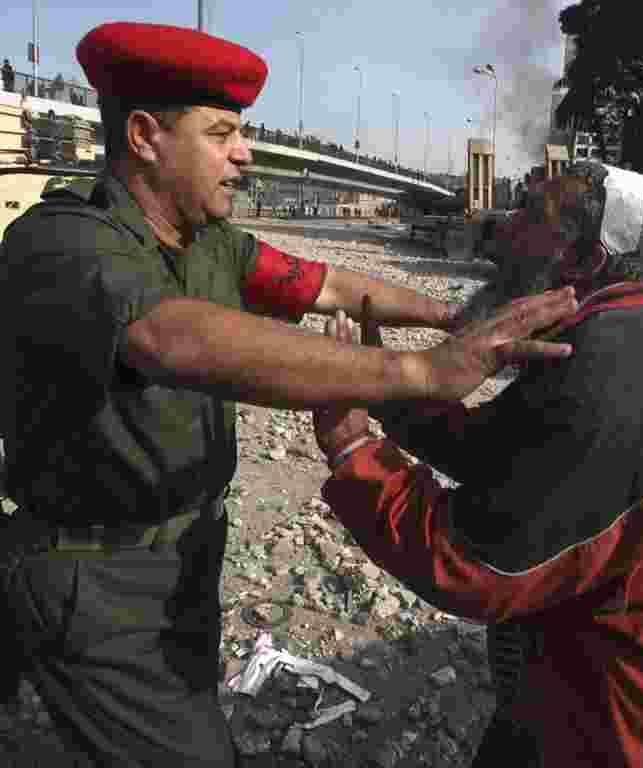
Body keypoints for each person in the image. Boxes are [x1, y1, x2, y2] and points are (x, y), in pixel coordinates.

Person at [0, 21, 577, 767]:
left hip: (182, 557)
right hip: (95, 576)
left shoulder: (210, 241)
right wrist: (423, 372)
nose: (245, 153)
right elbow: (167, 336)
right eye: (222, 134)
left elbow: (328, 284)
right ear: (144, 135)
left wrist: (452, 316)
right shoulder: (62, 242)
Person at [313, 162, 643, 767]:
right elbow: (490, 450)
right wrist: (386, 384)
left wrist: (352, 449)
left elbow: (473, 561)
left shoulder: (606, 383)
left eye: (531, 216)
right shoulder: (601, 339)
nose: (505, 230)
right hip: (568, 689)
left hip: (633, 734)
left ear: (583, 261)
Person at [19, 91, 34, 164]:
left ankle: (30, 158)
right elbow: (27, 114)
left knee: (28, 144)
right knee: (28, 144)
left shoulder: (24, 103)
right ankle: (29, 158)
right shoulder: (24, 104)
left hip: (27, 126)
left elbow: (28, 113)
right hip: (27, 126)